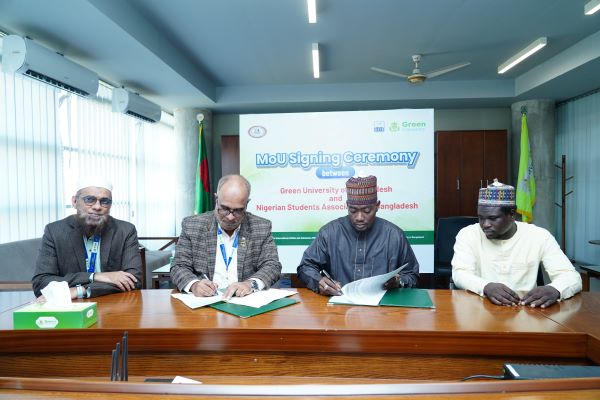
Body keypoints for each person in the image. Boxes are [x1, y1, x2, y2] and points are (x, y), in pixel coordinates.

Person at [452, 179, 582, 308]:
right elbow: (460, 274)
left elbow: (571, 276)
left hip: (526, 309)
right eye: (481, 218)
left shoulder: (539, 236)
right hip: (481, 309)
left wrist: (555, 289)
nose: (485, 224)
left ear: (512, 214)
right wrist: (486, 287)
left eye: (493, 218)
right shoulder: (468, 234)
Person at [297, 175, 420, 295]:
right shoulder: (329, 232)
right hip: (339, 304)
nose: (359, 217)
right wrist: (319, 281)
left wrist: (399, 282)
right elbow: (306, 266)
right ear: (347, 206)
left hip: (383, 305)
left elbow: (412, 275)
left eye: (367, 211)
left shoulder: (394, 235)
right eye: (353, 210)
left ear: (377, 206)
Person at [170, 174, 282, 298]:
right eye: (224, 209)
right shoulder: (192, 225)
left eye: (238, 210)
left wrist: (250, 284)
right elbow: (178, 266)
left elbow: (272, 266)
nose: (230, 217)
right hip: (205, 301)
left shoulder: (261, 227)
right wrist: (194, 285)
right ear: (216, 199)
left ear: (247, 203)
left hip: (245, 301)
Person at [32, 178, 141, 299]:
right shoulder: (55, 231)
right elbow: (41, 283)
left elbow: (133, 280)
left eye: (105, 201)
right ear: (74, 201)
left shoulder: (125, 230)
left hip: (114, 303)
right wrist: (94, 276)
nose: (97, 207)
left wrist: (82, 290)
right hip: (70, 306)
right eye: (89, 199)